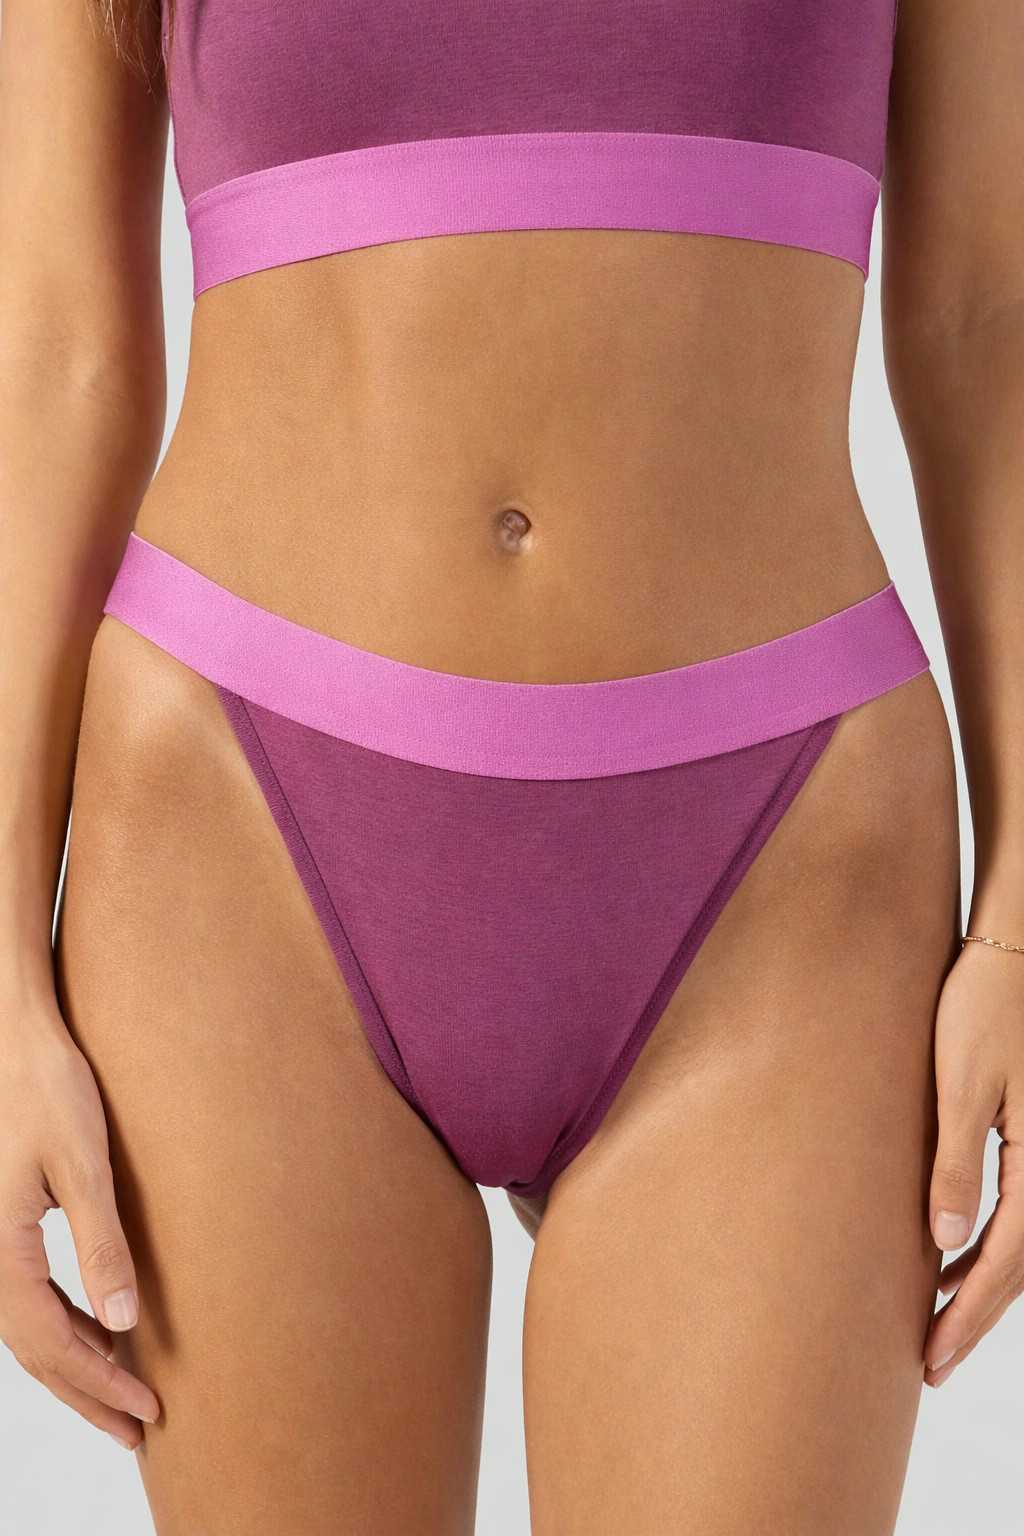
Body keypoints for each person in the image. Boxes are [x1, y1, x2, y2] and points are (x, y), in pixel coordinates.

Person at [1, 1, 1021, 1531]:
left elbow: (988, 322)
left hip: (788, 857)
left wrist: (1022, 915)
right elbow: (56, 352)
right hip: (237, 830)